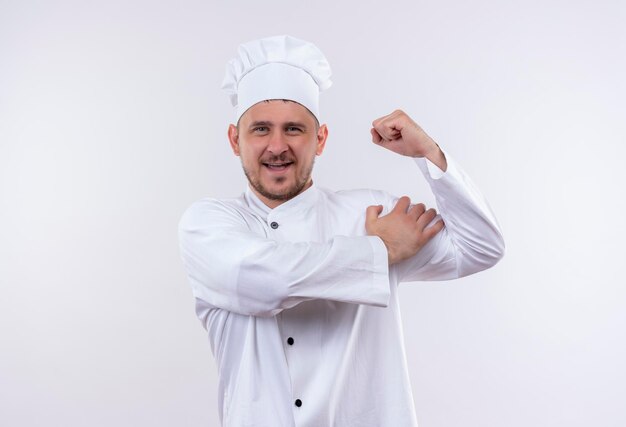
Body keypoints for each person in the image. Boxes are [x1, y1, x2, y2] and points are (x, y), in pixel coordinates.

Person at [178, 35, 504, 427]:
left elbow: (481, 248)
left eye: (294, 129)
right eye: (261, 129)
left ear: (321, 139)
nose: (277, 146)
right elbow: (268, 280)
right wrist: (379, 249)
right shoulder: (208, 224)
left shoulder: (368, 211)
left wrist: (428, 154)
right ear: (235, 140)